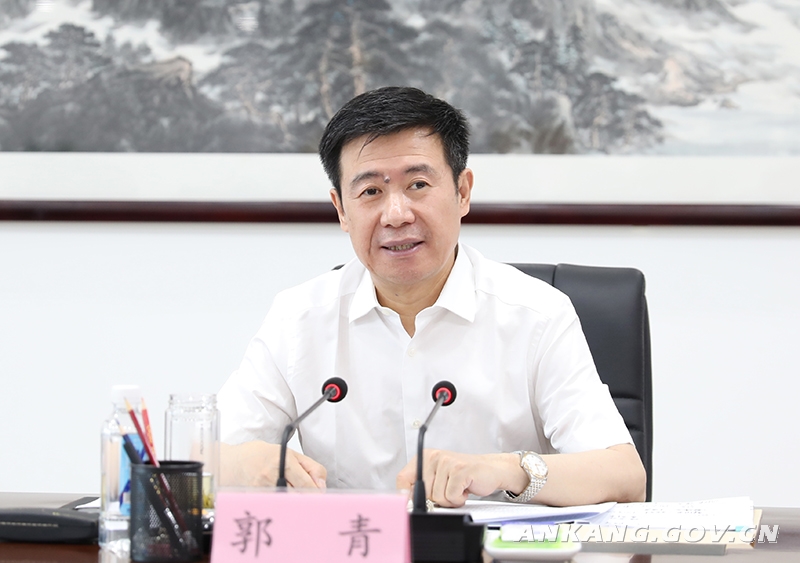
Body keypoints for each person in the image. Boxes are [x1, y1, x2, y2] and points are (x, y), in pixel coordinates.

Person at [217, 86, 646, 507]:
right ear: (341, 210)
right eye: (370, 192)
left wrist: (505, 469)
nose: (396, 215)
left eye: (418, 184)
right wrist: (244, 464)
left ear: (463, 192)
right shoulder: (299, 318)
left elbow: (625, 476)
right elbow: (204, 456)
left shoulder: (537, 314)